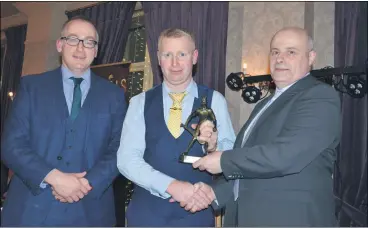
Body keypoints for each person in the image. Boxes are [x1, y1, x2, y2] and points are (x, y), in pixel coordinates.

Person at [188, 27, 342, 226]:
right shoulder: (264, 103)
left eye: (291, 52)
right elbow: (251, 167)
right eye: (275, 51)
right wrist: (214, 193)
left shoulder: (320, 96)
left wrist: (225, 160)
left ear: (311, 57)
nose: (280, 58)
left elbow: (287, 155)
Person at [1, 16, 127, 226]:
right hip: (31, 211)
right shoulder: (32, 87)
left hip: (90, 211)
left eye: (89, 42)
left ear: (96, 51)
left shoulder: (114, 95)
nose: (80, 48)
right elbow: (11, 145)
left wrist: (86, 183)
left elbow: (120, 147)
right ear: (60, 45)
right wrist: (54, 178)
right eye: (73, 39)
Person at [117, 28, 236, 227]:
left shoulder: (215, 100)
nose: (175, 63)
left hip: (196, 214)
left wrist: (214, 149)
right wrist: (172, 186)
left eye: (182, 54)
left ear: (194, 57)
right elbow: (127, 160)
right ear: (158, 58)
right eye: (167, 55)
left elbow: (232, 159)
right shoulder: (139, 103)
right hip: (146, 216)